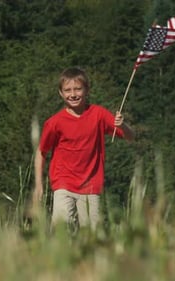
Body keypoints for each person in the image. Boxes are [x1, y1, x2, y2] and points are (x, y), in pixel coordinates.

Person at [33, 67, 135, 232]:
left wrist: (122, 124)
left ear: (87, 90)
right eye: (67, 90)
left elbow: (130, 136)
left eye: (78, 89)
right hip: (63, 183)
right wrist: (38, 184)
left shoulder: (98, 114)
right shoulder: (55, 122)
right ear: (61, 93)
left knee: (91, 236)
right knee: (61, 231)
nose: (73, 94)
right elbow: (41, 152)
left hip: (91, 186)